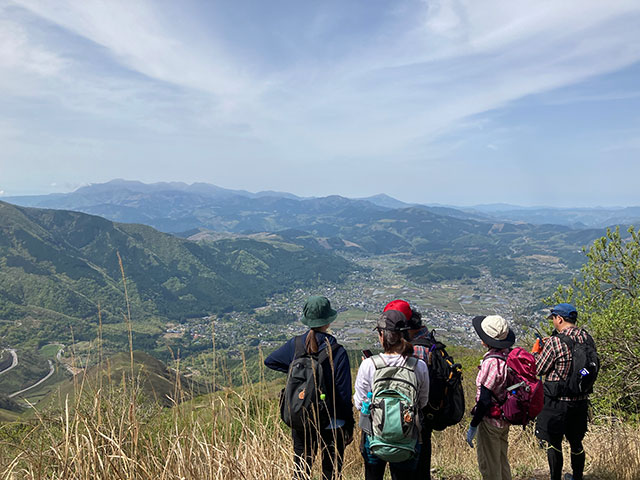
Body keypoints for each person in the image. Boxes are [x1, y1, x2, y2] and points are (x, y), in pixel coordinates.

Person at [264, 296, 354, 480]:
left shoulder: (295, 345)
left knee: (301, 472)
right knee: (331, 474)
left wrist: (293, 371)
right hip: (332, 422)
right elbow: (344, 395)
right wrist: (349, 425)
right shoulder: (337, 351)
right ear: (328, 321)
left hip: (302, 417)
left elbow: (270, 361)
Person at [354, 309, 430, 480]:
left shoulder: (369, 365)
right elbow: (423, 402)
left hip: (374, 436)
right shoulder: (418, 366)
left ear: (381, 336)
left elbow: (360, 403)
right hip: (408, 437)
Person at [532, 303, 597, 480]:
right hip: (580, 399)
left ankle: (555, 478)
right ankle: (577, 477)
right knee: (576, 442)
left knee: (554, 442)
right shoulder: (587, 338)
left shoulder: (555, 342)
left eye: (553, 318)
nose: (553, 322)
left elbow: (539, 368)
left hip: (556, 401)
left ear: (559, 319)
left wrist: (537, 352)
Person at [383, 299, 433, 480]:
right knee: (422, 467)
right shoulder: (426, 339)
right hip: (423, 416)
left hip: (412, 419)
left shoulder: (417, 350)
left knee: (411, 469)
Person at [466, 315, 516, 480]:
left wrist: (474, 425)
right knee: (502, 462)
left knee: (489, 467)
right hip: (504, 417)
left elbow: (485, 399)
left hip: (490, 421)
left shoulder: (491, 362)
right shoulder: (508, 355)